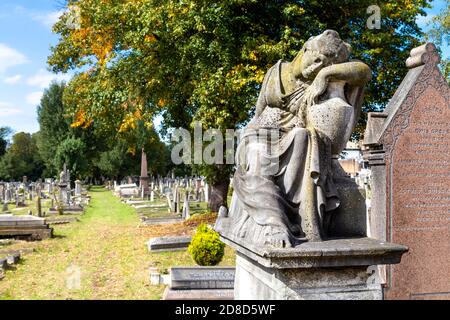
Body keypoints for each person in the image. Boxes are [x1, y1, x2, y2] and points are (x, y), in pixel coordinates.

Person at [225, 30, 371, 248]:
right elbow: (257, 114)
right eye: (316, 59)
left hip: (291, 136)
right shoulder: (276, 72)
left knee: (303, 136)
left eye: (324, 64)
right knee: (257, 153)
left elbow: (364, 71)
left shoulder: (316, 83)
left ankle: (293, 216)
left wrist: (326, 74)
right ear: (305, 50)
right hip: (258, 135)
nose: (316, 67)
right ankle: (273, 222)